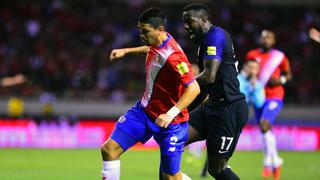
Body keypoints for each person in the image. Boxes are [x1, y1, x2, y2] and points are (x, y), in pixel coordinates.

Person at [100, 7, 200, 180]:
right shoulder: (156, 43)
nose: (141, 35)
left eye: (145, 31)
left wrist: (170, 114)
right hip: (144, 112)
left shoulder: (175, 56)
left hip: (171, 123)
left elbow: (194, 88)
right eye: (140, 30)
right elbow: (150, 50)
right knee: (109, 149)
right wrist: (126, 51)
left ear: (160, 30)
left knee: (170, 177)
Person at [182, 3, 249, 180]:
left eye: (189, 21)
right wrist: (184, 109)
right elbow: (205, 86)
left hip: (229, 110)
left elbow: (209, 76)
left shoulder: (216, 36)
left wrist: (181, 83)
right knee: (172, 141)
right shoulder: (204, 42)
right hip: (210, 106)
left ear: (204, 20)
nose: (186, 26)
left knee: (217, 169)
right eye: (184, 22)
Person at [246, 29, 292, 180]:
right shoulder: (252, 55)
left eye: (269, 38)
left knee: (265, 125)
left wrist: (281, 81)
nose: (266, 40)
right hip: (259, 96)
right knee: (264, 130)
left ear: (273, 41)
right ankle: (276, 161)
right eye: (264, 37)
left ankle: (267, 161)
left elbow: (288, 74)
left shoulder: (279, 57)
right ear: (260, 39)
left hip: (274, 97)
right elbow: (247, 72)